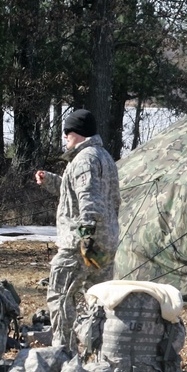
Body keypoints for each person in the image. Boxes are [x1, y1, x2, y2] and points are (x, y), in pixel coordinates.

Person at [35, 109, 121, 352]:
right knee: (98, 300)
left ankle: (63, 352)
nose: (65, 138)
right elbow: (82, 191)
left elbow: (89, 200)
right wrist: (51, 180)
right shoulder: (103, 157)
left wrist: (85, 237)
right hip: (105, 243)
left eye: (67, 133)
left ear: (76, 133)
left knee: (61, 295)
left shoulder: (84, 159)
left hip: (81, 246)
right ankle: (103, 352)